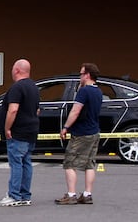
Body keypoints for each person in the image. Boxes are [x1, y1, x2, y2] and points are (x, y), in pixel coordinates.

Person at [55, 63, 103, 205]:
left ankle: (71, 194)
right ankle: (87, 194)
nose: (79, 76)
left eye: (81, 74)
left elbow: (76, 110)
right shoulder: (98, 91)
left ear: (87, 75)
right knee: (89, 164)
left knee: (69, 162)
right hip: (94, 131)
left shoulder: (84, 91)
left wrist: (65, 127)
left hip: (81, 132)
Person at [0, 59, 40, 207]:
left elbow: (13, 109)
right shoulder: (33, 87)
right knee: (26, 163)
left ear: (16, 70)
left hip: (18, 132)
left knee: (16, 163)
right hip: (31, 131)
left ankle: (14, 195)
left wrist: (7, 127)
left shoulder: (17, 87)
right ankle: (25, 195)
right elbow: (37, 110)